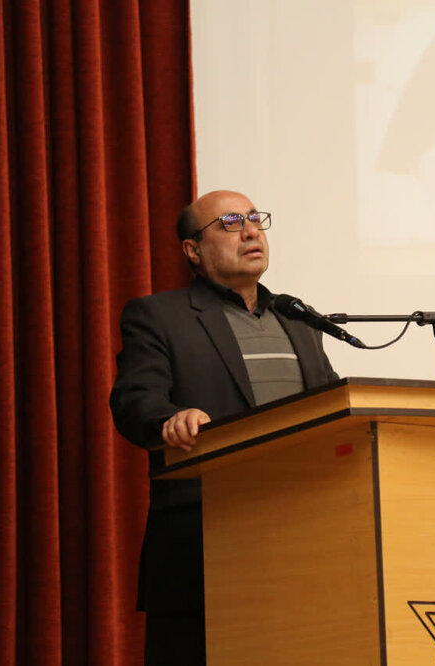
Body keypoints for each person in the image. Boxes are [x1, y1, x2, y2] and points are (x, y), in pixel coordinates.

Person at [109, 190, 338, 665]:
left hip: (306, 541)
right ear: (193, 249)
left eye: (255, 220)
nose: (251, 231)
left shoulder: (299, 320)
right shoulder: (160, 316)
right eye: (231, 223)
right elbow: (134, 400)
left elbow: (332, 408)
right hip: (204, 548)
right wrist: (170, 419)